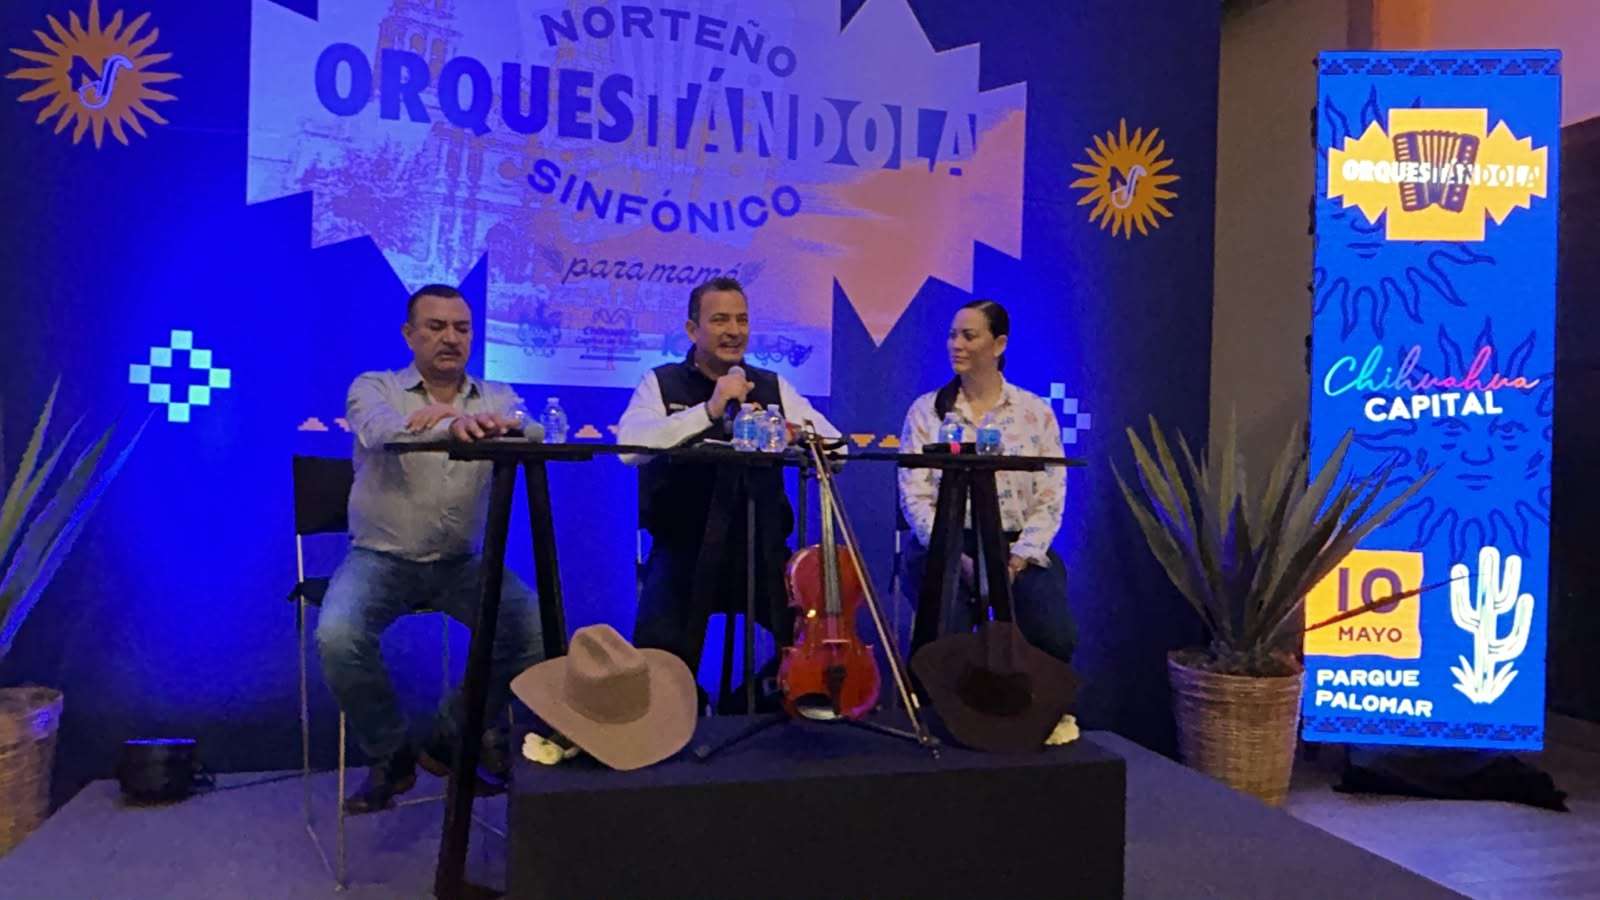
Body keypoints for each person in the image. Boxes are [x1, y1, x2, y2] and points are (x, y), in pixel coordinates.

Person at [317, 283, 544, 814]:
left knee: (535, 635)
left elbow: (531, 431)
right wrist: (450, 421)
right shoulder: (374, 386)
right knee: (337, 636)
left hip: (461, 562)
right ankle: (391, 755)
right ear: (409, 334)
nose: (451, 338)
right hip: (381, 558)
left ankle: (451, 736)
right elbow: (381, 433)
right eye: (436, 327)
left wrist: (492, 424)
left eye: (462, 328)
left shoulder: (496, 394)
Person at [617, 276, 842, 696]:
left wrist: (792, 431)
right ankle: (685, 710)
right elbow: (630, 449)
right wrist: (710, 409)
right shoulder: (660, 382)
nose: (734, 331)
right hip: (683, 549)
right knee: (654, 673)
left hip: (760, 549)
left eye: (742, 320)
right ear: (692, 330)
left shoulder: (772, 384)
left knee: (815, 648)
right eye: (720, 320)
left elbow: (838, 448)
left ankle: (750, 702)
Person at [897, 299, 1076, 664]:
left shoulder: (1035, 412)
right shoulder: (926, 411)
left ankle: (1031, 701)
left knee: (1054, 636)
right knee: (948, 641)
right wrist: (956, 557)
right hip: (946, 544)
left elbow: (1051, 495)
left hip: (1016, 545)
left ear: (999, 344)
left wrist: (1017, 561)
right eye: (952, 336)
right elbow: (914, 496)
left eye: (969, 336)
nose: (956, 345)